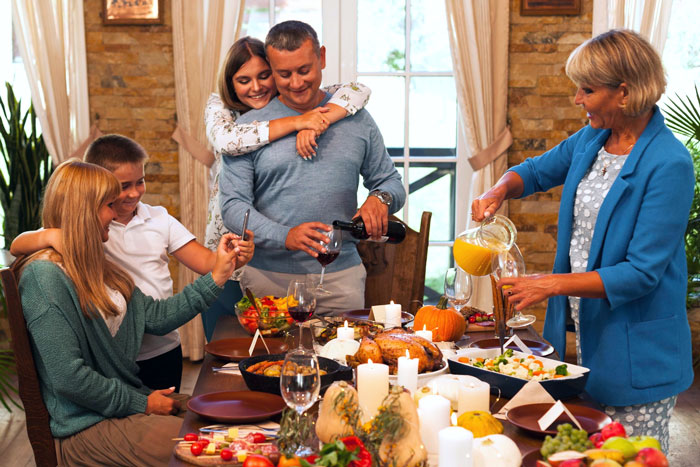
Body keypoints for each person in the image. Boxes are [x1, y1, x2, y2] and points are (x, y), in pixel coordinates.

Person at [471, 29, 693, 451]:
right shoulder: (593, 138)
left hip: (637, 351)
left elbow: (640, 273)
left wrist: (549, 283)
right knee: (580, 453)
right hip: (581, 339)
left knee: (627, 456)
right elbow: (535, 171)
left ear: (623, 93)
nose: (577, 99)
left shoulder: (670, 164)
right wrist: (497, 189)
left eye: (587, 90)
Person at [16, 159, 240, 465]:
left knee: (235, 423)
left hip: (121, 405)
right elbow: (70, 378)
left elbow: (157, 317)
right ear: (83, 211)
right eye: (109, 204)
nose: (115, 212)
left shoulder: (99, 265)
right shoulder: (46, 276)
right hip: (85, 426)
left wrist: (217, 277)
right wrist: (142, 403)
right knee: (216, 450)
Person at [10, 134, 255, 392]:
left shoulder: (158, 218)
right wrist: (50, 234)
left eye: (140, 182)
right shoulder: (83, 236)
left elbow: (207, 264)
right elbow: (18, 246)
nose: (134, 192)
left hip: (163, 343)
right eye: (123, 186)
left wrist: (233, 259)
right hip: (118, 353)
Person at [219, 21, 405, 314]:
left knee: (342, 358)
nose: (296, 83)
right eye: (284, 74)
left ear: (322, 57)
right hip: (268, 280)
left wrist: (380, 199)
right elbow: (232, 207)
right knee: (270, 361)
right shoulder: (249, 128)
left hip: (342, 278)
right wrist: (285, 235)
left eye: (304, 70)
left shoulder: (356, 119)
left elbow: (390, 181)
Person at [197, 36, 370, 335]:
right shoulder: (222, 111)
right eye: (243, 79)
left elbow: (359, 91)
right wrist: (299, 123)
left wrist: (320, 120)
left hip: (310, 268)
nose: (257, 87)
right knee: (233, 340)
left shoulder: (318, 104)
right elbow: (229, 143)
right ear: (229, 83)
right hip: (230, 248)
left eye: (265, 75)